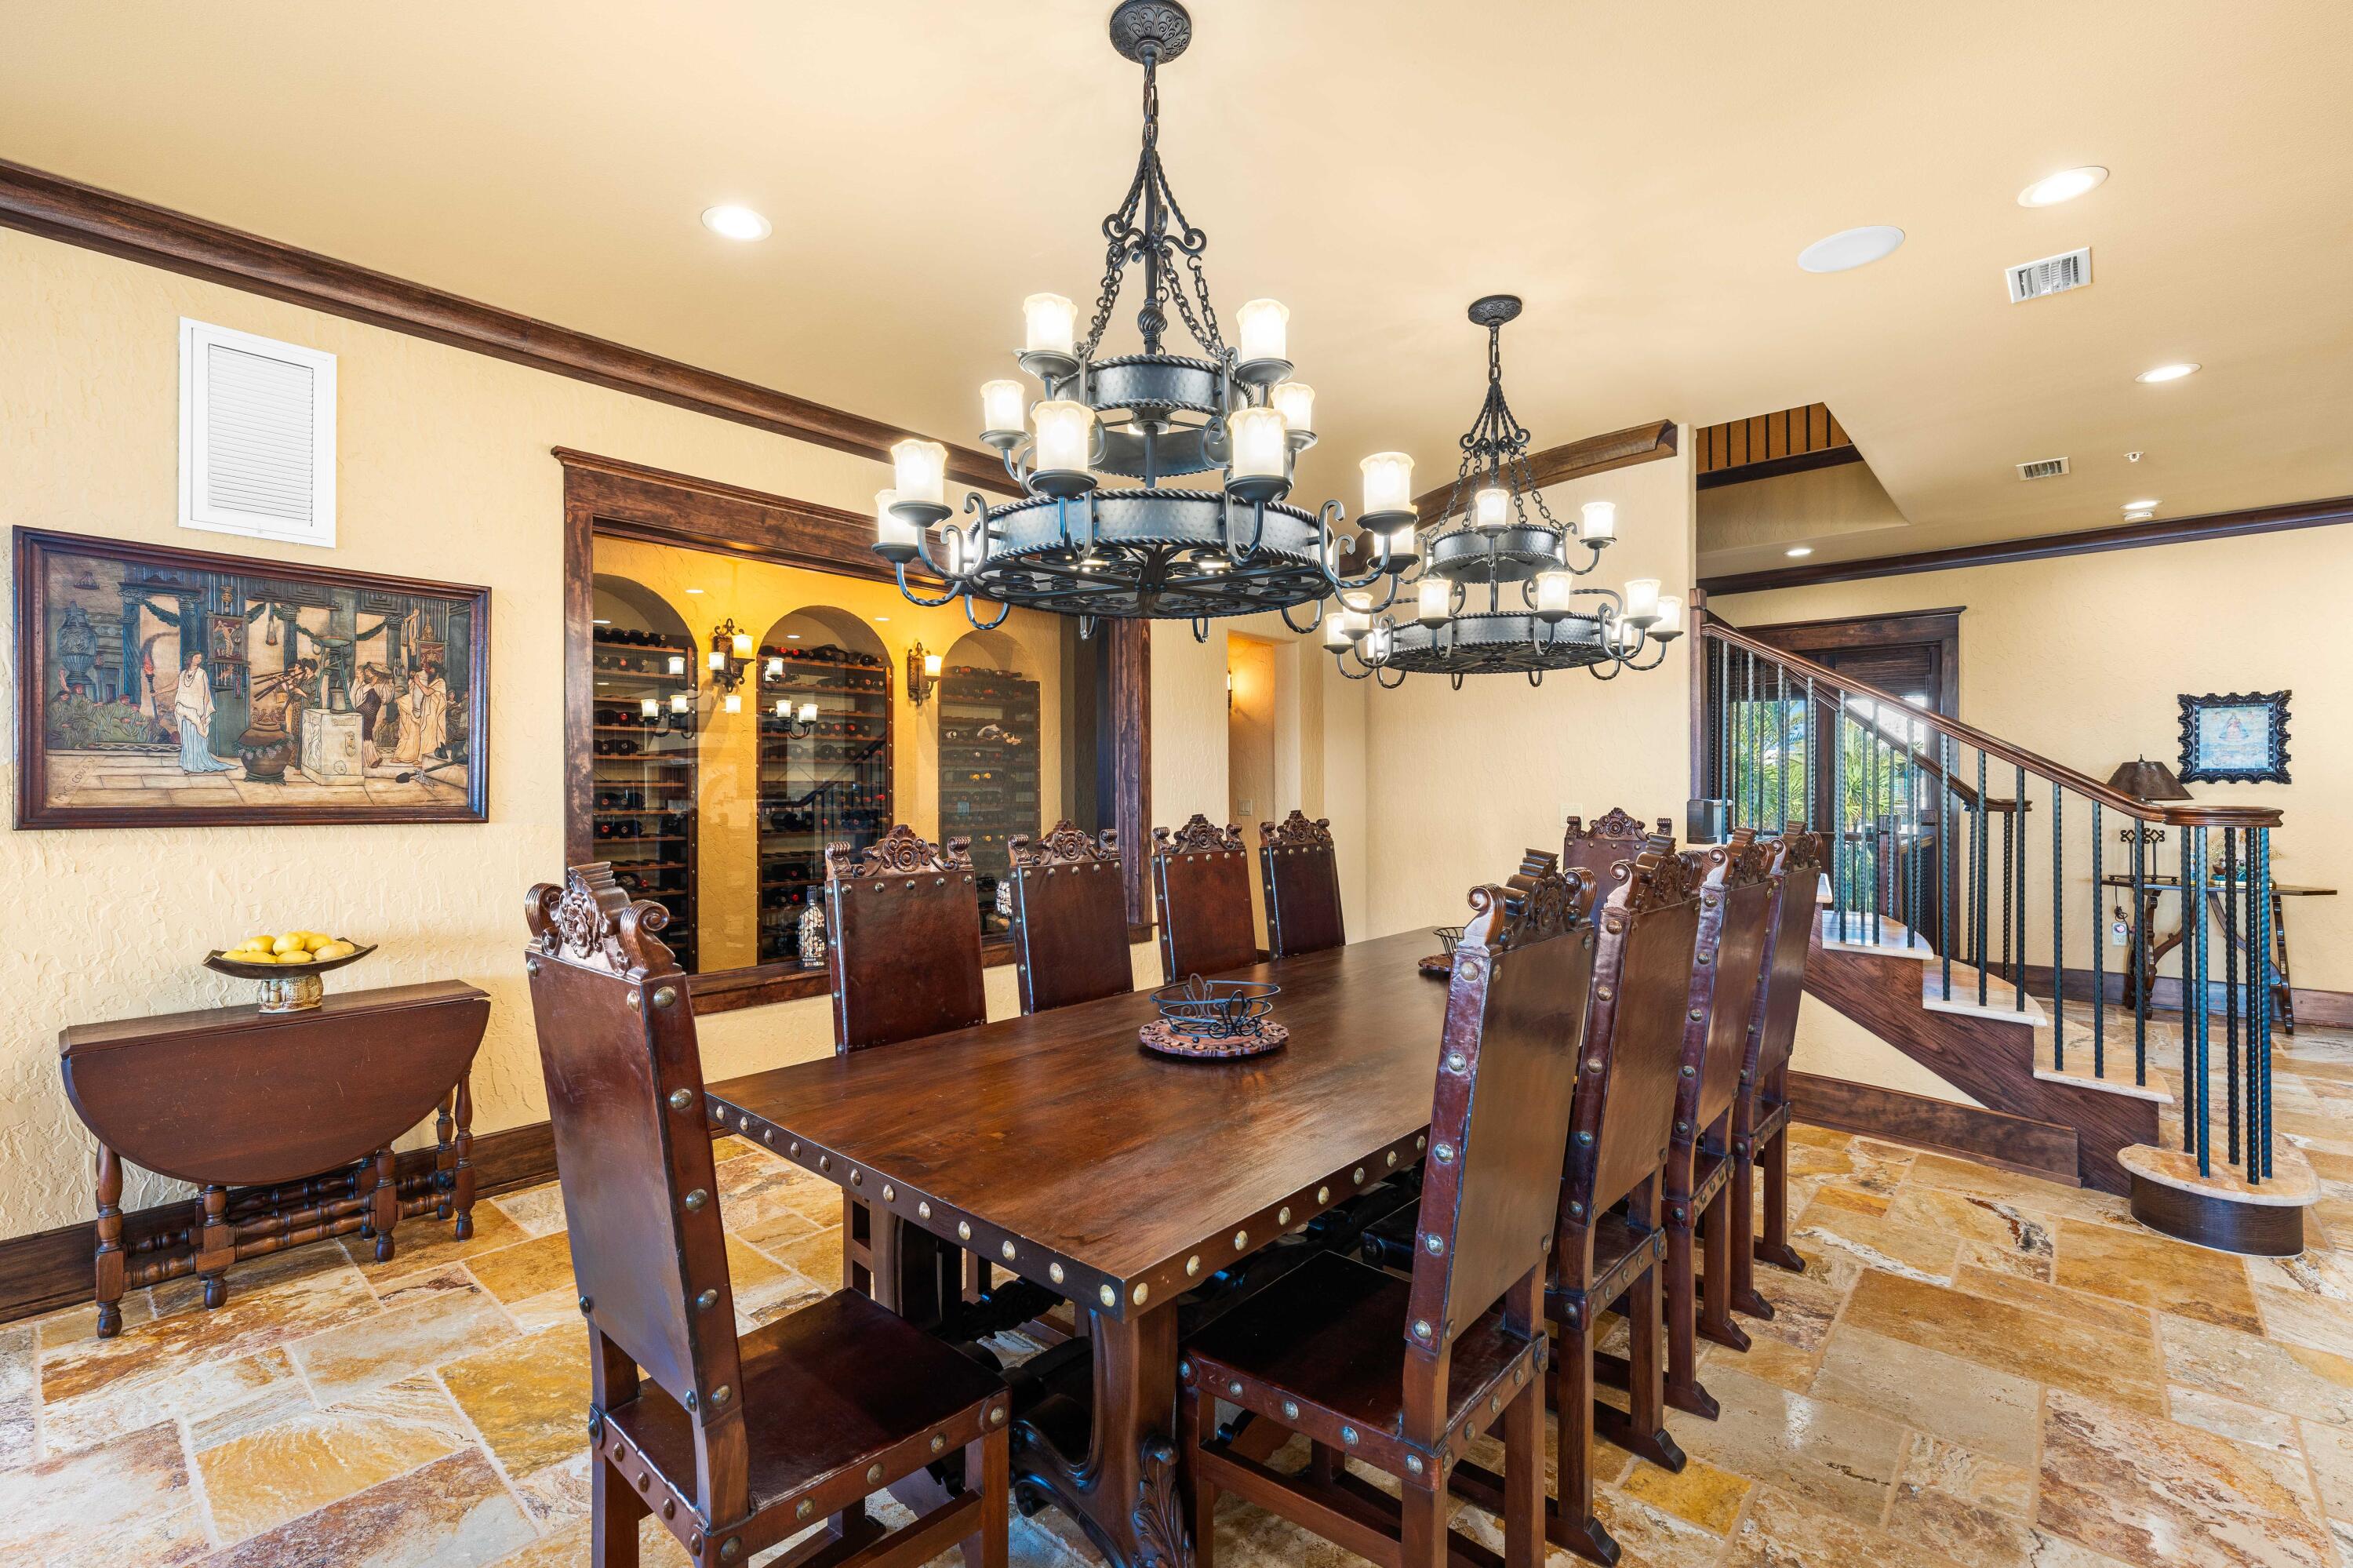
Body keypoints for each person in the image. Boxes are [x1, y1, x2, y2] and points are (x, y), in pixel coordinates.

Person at [173, 651, 236, 774]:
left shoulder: (202, 673)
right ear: (190, 659)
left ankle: (197, 763)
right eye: (197, 657)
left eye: (200, 658)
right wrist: (158, 691)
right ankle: (188, 765)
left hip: (198, 710)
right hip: (185, 709)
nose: (199, 660)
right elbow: (174, 685)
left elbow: (207, 694)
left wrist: (203, 713)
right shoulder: (183, 674)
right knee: (187, 738)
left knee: (197, 737)